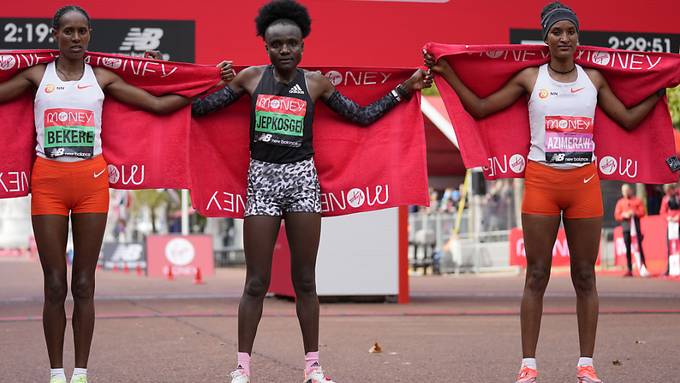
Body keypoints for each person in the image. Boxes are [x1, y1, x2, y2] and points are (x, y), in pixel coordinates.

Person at [191, 1, 431, 382]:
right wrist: (198, 78)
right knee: (256, 282)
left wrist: (404, 89)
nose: (284, 50)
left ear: (302, 46)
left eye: (292, 43)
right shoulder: (250, 79)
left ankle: (312, 367)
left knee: (305, 280)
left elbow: (362, 116)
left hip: (303, 182)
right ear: (265, 47)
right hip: (262, 184)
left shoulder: (316, 83)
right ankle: (241, 368)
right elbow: (201, 110)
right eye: (276, 44)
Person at [424, 2, 664, 382]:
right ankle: (528, 367)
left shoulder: (594, 80)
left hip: (583, 183)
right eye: (557, 32)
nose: (564, 38)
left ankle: (586, 365)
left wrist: (661, 86)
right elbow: (482, 108)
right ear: (546, 38)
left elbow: (630, 119)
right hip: (542, 183)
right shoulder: (530, 79)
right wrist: (448, 73)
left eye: (570, 31)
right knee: (536, 275)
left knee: (585, 276)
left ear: (578, 37)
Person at [0, 6, 232, 383]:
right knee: (55, 283)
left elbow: (156, 104)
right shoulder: (36, 76)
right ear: (54, 35)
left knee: (84, 282)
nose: (75, 39)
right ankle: (56, 371)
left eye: (82, 32)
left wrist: (208, 84)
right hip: (48, 183)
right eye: (68, 32)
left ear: (90, 34)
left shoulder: (102, 78)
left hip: (91, 183)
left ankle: (81, 372)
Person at [614, 184, 649, 277]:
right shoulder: (620, 202)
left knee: (639, 247)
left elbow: (643, 212)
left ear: (630, 190)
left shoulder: (637, 200)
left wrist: (634, 212)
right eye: (624, 191)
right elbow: (617, 215)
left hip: (636, 227)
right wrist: (623, 215)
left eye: (627, 190)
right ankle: (629, 269)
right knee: (628, 248)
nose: (625, 192)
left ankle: (643, 266)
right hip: (626, 227)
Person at [659, 183, 680, 275]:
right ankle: (670, 267)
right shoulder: (665, 199)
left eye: (669, 191)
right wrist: (668, 217)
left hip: (678, 222)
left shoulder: (678, 196)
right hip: (671, 225)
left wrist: (678, 217)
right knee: (670, 245)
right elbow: (662, 212)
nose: (668, 193)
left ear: (673, 189)